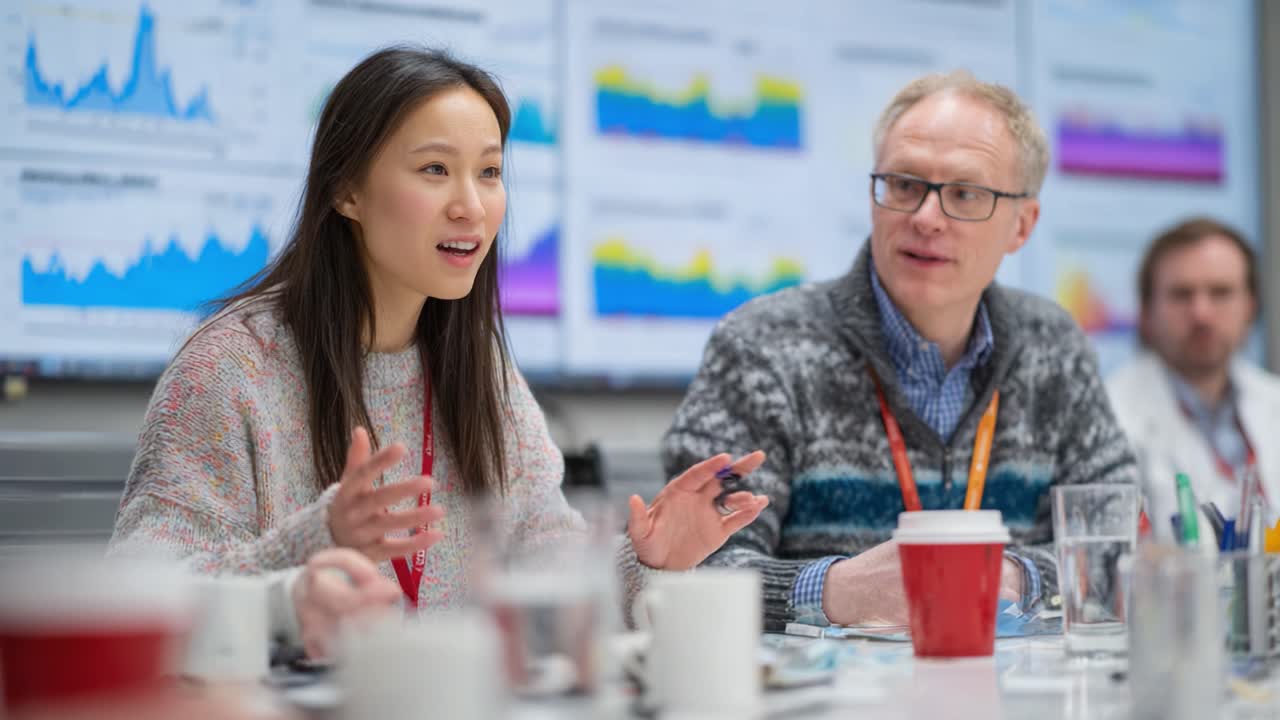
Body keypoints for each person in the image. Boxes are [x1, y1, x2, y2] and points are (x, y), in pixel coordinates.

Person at [108, 47, 769, 656]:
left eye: (488, 172)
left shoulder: (479, 366)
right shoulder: (231, 368)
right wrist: (314, 544)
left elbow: (542, 557)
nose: (471, 207)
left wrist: (643, 564)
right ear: (347, 191)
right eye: (434, 170)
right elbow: (137, 597)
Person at [662, 70, 1136, 631]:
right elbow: (688, 566)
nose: (926, 218)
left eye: (965, 194)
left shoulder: (1053, 346)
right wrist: (836, 591)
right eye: (904, 184)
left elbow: (1120, 544)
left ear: (1022, 225)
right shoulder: (763, 346)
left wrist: (1009, 577)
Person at [1106, 218, 1280, 540]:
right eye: (1181, 294)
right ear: (1146, 312)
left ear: (1251, 307)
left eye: (1221, 292)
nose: (1201, 312)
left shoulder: (1272, 401)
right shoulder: (1111, 416)